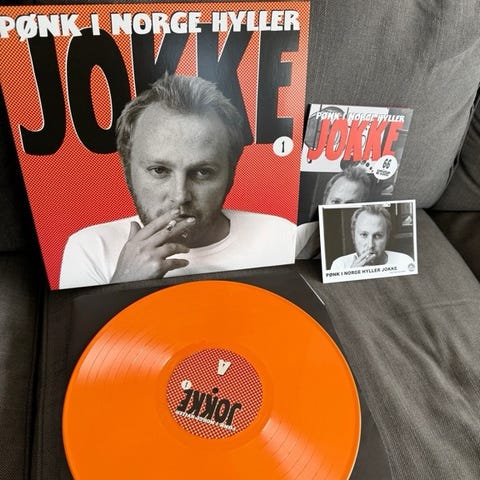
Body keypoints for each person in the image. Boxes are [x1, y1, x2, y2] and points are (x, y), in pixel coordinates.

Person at [59, 74, 296, 288]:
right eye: (159, 170)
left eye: (203, 172)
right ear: (127, 169)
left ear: (231, 173)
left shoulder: (281, 238)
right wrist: (122, 284)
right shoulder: (92, 248)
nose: (180, 196)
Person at [296, 166, 371, 259]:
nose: (339, 209)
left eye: (350, 204)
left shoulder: (371, 240)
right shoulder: (303, 233)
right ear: (325, 200)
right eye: (335, 201)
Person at [330, 204, 414, 270]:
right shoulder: (340, 265)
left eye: (378, 236)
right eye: (364, 235)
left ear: (387, 236)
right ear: (353, 236)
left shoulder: (405, 262)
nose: (370, 245)